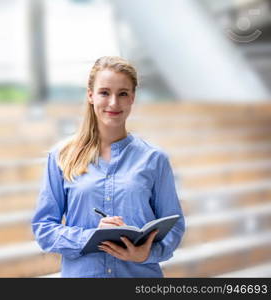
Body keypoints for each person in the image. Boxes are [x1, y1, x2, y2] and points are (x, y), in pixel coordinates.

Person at [31, 56, 185, 278]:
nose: (113, 103)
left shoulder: (154, 159)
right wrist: (92, 237)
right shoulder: (60, 157)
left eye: (122, 94)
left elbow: (175, 225)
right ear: (91, 95)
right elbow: (44, 229)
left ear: (132, 98)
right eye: (104, 92)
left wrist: (146, 253)